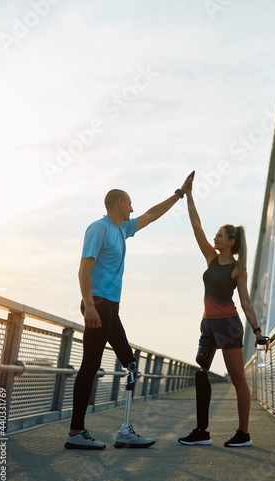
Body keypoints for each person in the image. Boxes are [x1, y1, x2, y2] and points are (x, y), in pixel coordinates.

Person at [64, 172, 194, 450]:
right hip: (97, 305)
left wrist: (179, 194)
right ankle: (76, 432)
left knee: (131, 364)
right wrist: (88, 306)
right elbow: (83, 268)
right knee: (90, 365)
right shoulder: (98, 228)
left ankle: (124, 432)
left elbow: (151, 214)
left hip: (110, 308)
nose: (134, 209)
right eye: (131, 204)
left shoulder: (121, 229)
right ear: (120, 203)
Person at [178, 172, 265, 447]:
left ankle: (244, 434)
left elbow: (246, 302)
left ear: (231, 242)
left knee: (238, 378)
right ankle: (202, 432)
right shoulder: (210, 257)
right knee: (201, 372)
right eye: (215, 234)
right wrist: (188, 196)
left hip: (228, 324)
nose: (215, 237)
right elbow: (196, 227)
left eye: (220, 235)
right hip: (207, 325)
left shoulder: (237, 269)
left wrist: (258, 331)